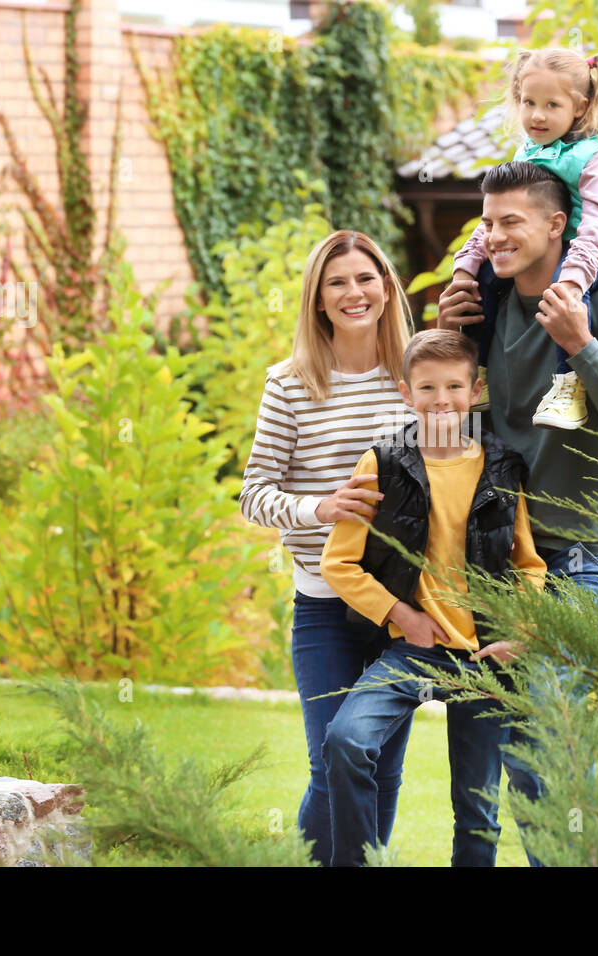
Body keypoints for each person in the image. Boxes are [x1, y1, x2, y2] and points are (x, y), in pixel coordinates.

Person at [437, 160, 598, 867]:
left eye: (512, 222)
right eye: (488, 223)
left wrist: (582, 345)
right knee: (498, 764)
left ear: (557, 225)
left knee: (545, 744)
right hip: (501, 563)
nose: (496, 236)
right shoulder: (495, 305)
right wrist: (455, 341)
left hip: (582, 564)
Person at [319, 329, 547, 866]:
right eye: (426, 388)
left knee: (477, 811)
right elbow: (338, 562)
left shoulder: (503, 467)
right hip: (415, 647)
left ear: (476, 390)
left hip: (486, 659)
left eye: (452, 386)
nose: (440, 400)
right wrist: (402, 615)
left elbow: (529, 565)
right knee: (347, 741)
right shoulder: (383, 463)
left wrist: (521, 631)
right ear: (406, 392)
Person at [239, 230, 416, 867]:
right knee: (330, 763)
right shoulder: (290, 384)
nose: (353, 293)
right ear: (317, 300)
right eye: (336, 282)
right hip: (324, 607)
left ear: (386, 286)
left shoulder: (414, 379)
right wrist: (321, 508)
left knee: (379, 768)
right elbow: (253, 493)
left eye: (365, 278)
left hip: (400, 608)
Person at [452, 47, 598, 431]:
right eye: (528, 102)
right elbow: (494, 219)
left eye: (551, 105)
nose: (536, 115)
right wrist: (465, 269)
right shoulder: (530, 150)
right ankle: (480, 373)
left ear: (579, 106)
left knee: (566, 292)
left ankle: (568, 384)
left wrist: (573, 282)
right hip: (572, 245)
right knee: (484, 280)